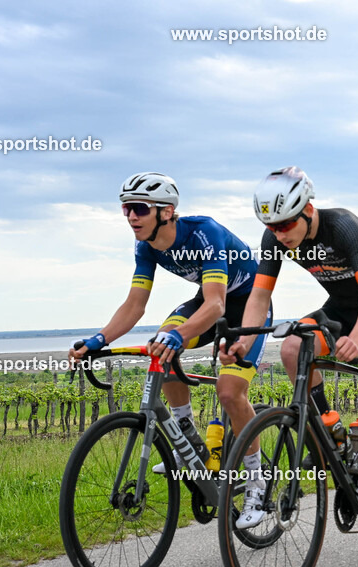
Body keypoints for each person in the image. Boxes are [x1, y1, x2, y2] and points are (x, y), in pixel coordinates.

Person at [68, 172, 272, 528]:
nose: (131, 216)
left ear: (166, 211)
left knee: (228, 391)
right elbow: (134, 305)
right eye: (126, 209)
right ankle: (186, 439)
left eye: (139, 208)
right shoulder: (146, 246)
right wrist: (99, 340)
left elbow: (216, 306)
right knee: (159, 347)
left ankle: (257, 482)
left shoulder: (204, 233)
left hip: (247, 306)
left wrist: (179, 337)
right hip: (210, 303)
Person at [224, 167, 358, 550]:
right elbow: (259, 296)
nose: (280, 234)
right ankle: (330, 430)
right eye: (272, 227)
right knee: (293, 347)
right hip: (339, 311)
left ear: (308, 209)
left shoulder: (343, 226)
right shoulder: (274, 238)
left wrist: (357, 339)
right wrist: (243, 340)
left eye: (286, 224)